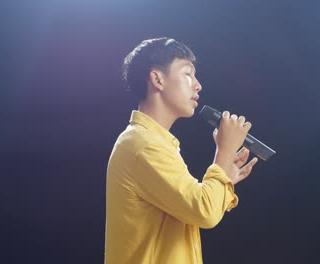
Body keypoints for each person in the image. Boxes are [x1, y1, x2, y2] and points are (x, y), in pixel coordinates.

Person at [105, 37, 259, 263]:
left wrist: (224, 173)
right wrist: (224, 152)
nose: (198, 85)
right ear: (157, 79)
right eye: (188, 73)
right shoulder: (144, 145)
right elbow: (204, 211)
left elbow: (195, 209)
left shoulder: (151, 142)